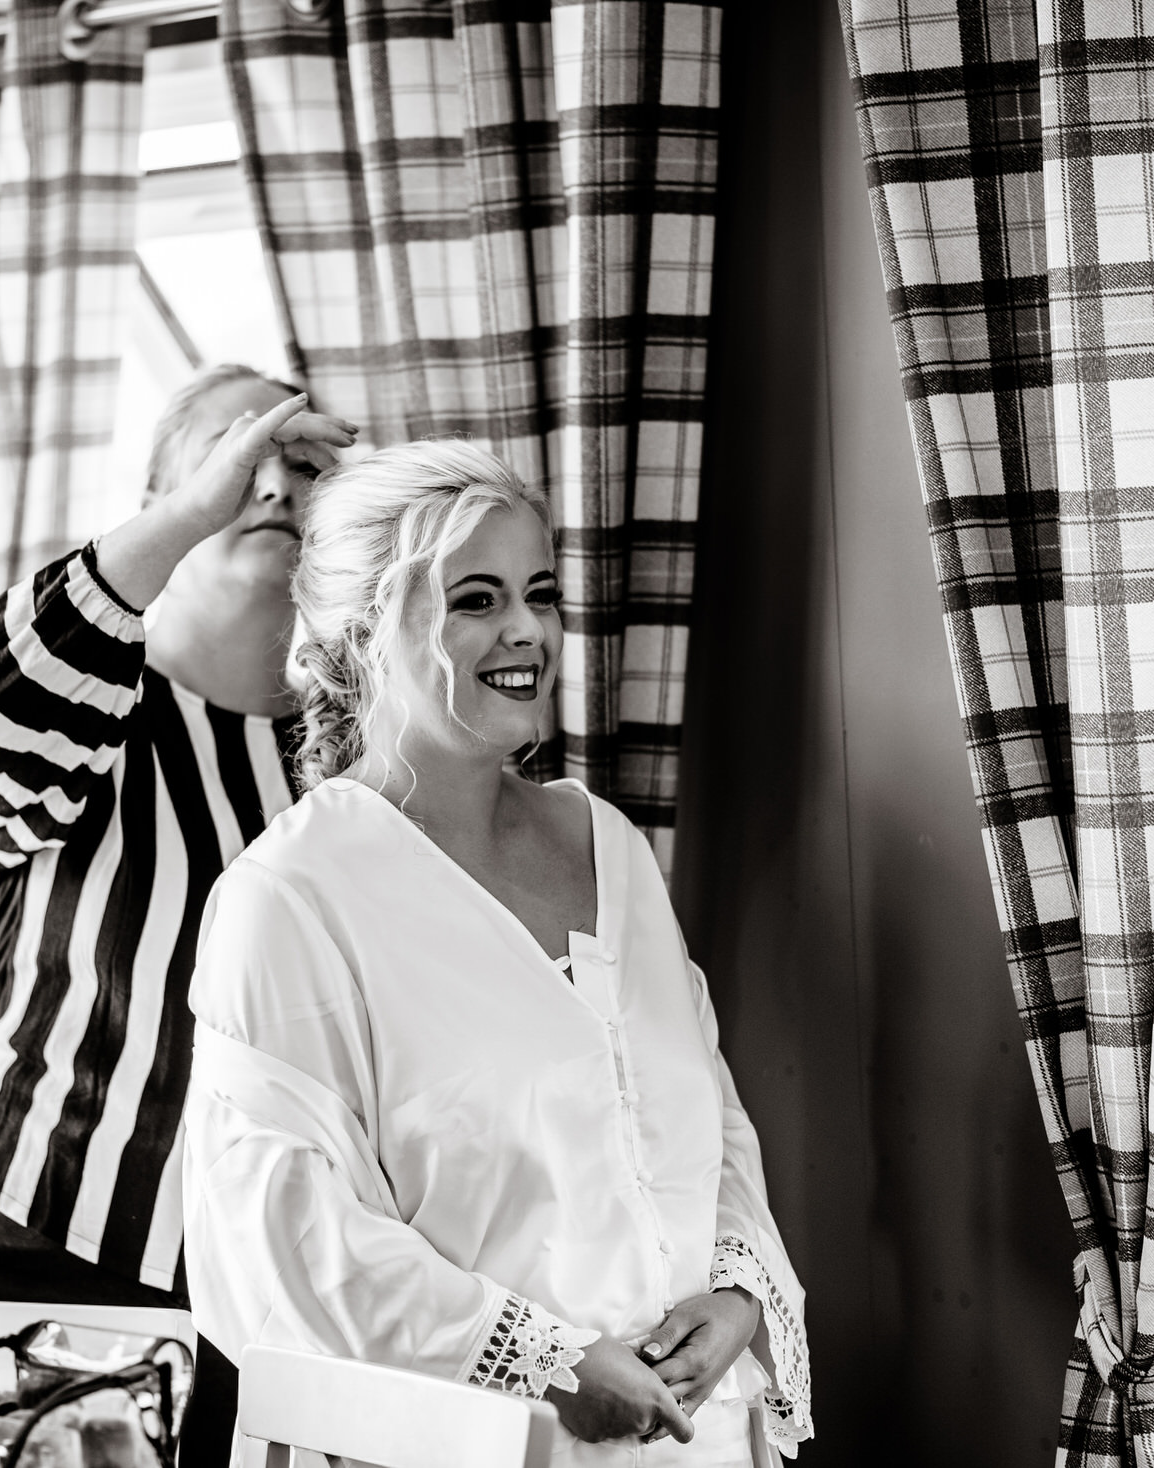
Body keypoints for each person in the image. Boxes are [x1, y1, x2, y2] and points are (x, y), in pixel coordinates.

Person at [180, 441, 813, 1462]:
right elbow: (278, 1247)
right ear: (360, 633)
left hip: (699, 1442)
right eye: (473, 599)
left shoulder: (606, 843)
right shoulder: (289, 900)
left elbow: (702, 1117)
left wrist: (737, 1286)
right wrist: (540, 1360)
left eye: (540, 592)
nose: (526, 631)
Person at [0, 364, 359, 1466]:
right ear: (155, 499)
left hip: (264, 1283)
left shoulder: (363, 758)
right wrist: (193, 511)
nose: (271, 482)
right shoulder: (97, 705)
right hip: (21, 1227)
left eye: (307, 465)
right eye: (236, 453)